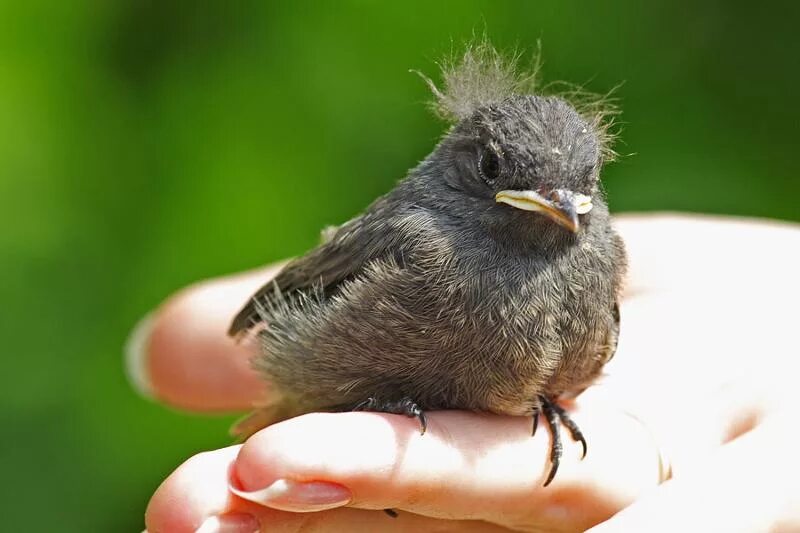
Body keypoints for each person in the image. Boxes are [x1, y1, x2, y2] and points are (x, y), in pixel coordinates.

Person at [130, 214, 800, 533]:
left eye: (575, 192)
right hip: (351, 380)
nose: (559, 206)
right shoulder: (422, 236)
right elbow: (295, 302)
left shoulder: (594, 258)